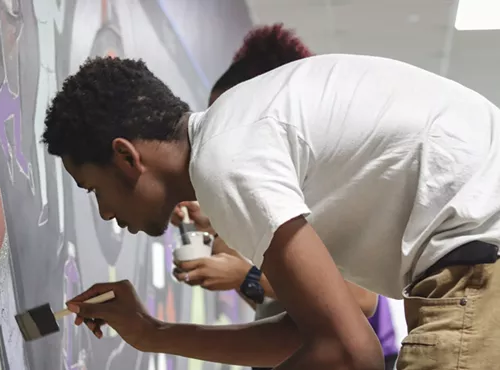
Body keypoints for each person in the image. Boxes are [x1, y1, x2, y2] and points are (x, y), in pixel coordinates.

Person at [42, 43, 500, 369]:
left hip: (478, 268)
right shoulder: (233, 138)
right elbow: (313, 333)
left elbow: (349, 352)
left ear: (126, 157)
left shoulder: (224, 160)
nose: (104, 213)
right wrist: (151, 334)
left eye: (92, 189)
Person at [168, 24, 398, 370]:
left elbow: (362, 300)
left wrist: (245, 275)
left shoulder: (320, 196)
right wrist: (221, 233)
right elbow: (288, 310)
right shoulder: (278, 194)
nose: (217, 138)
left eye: (227, 118)